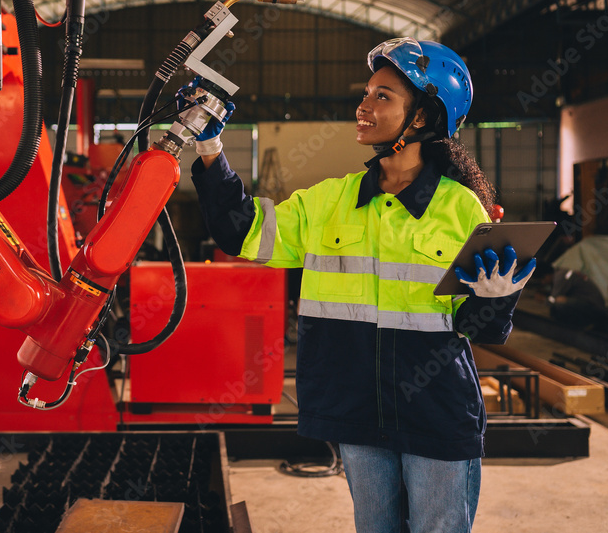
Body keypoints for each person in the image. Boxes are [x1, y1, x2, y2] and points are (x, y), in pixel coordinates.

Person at [190, 37, 536, 533]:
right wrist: (209, 147)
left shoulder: (460, 208)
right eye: (368, 92)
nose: (364, 105)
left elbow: (473, 328)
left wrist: (497, 301)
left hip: (436, 412)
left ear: (421, 117)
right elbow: (239, 229)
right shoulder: (330, 201)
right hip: (356, 411)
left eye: (383, 96)